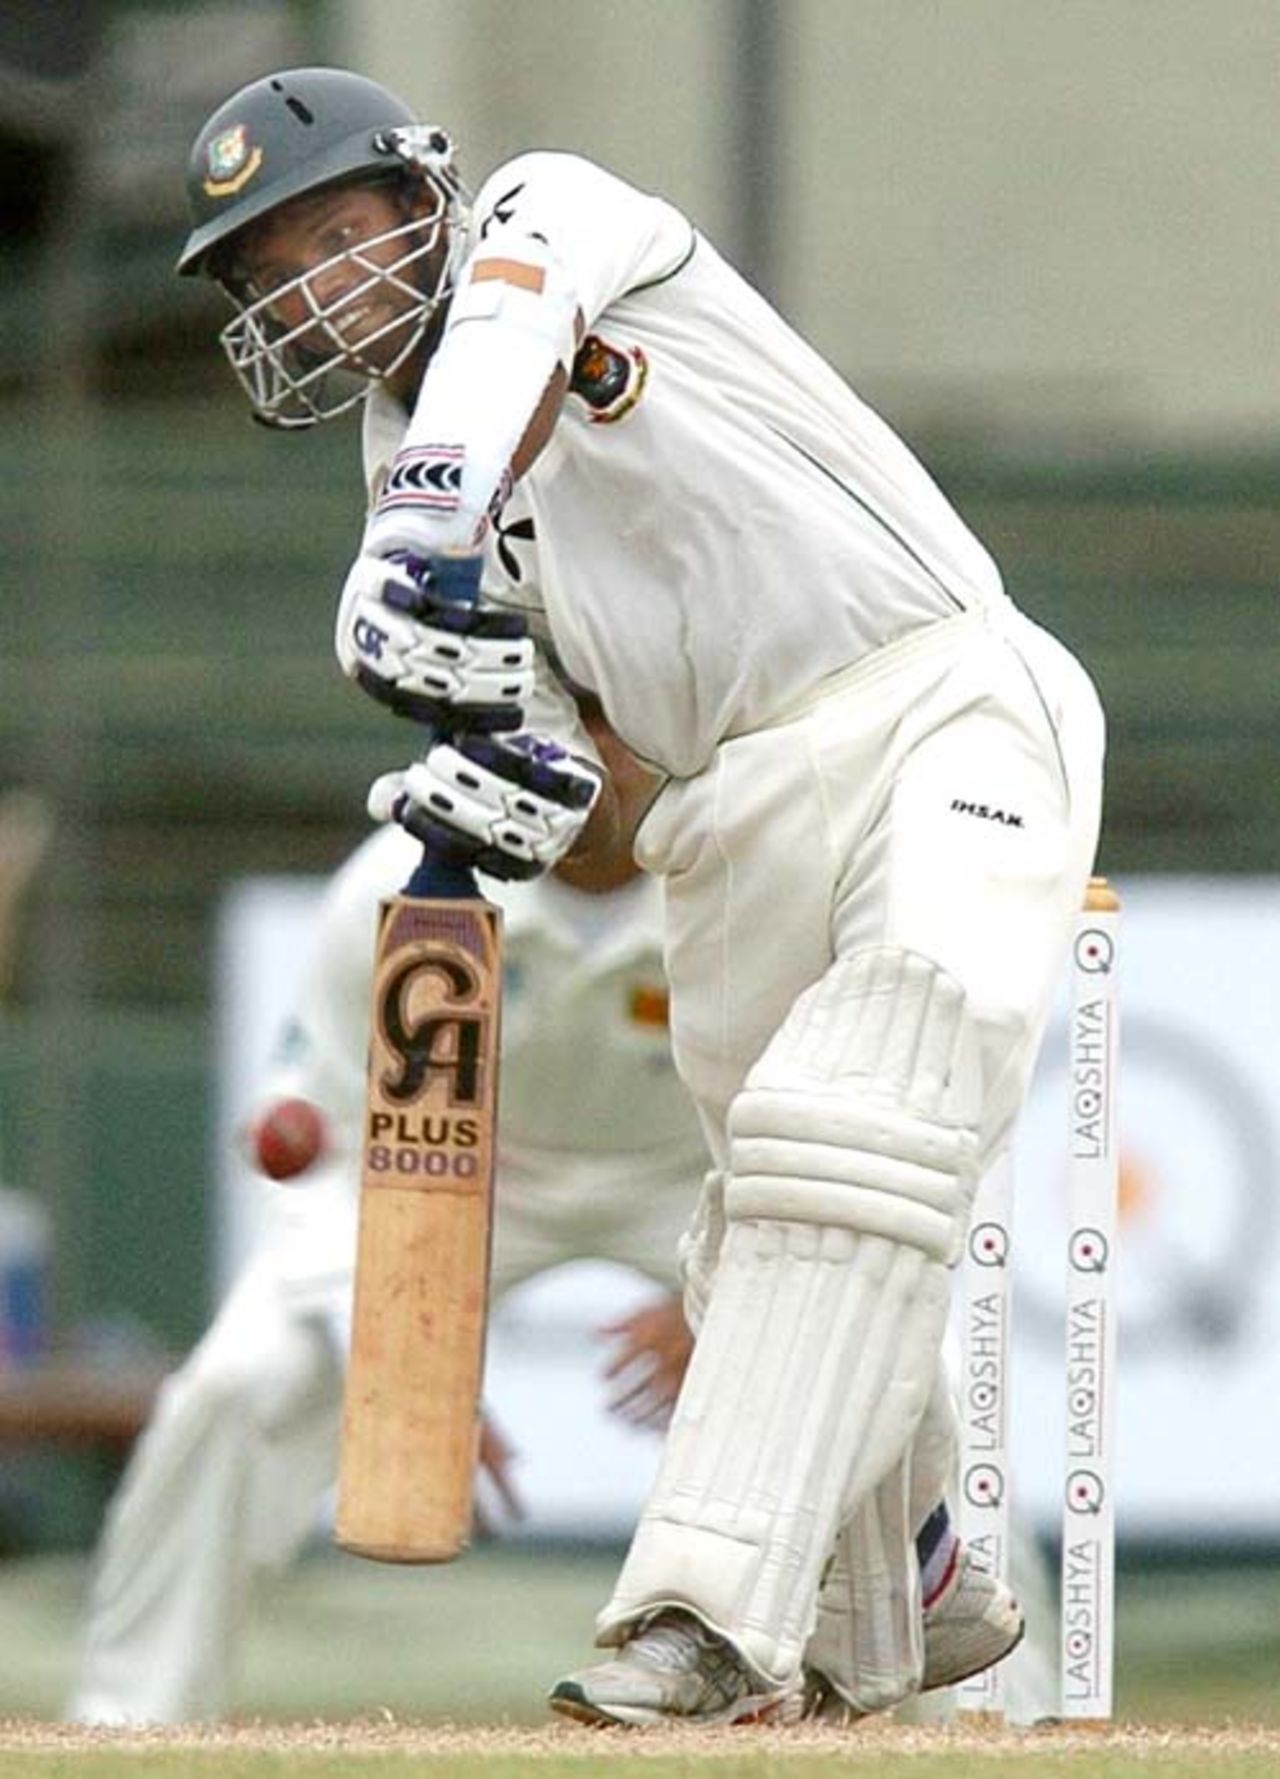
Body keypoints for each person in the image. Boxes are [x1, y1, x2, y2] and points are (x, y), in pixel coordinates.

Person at [174, 67, 1105, 1728]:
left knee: (850, 1120)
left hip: (938, 692)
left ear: (424, 196)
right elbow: (539, 746)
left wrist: (420, 532)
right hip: (721, 803)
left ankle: (701, 1612)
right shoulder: (398, 478)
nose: (313, 285)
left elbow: (496, 368)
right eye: (274, 272)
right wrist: (488, 769)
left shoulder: (558, 215)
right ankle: (930, 1575)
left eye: (334, 233)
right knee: (776, 1209)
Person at [66, 704, 702, 1725]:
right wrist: (403, 1351)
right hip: (446, 1179)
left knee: (897, 1387)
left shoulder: (742, 879)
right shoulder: (399, 882)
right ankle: (132, 1719)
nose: (589, 759)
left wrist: (724, 1289)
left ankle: (990, 1713)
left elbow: (800, 1119)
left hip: (694, 1182)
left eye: (616, 728)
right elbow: (316, 1141)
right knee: (234, 1388)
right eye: (563, 723)